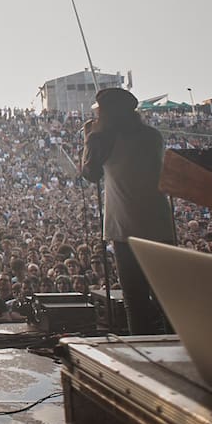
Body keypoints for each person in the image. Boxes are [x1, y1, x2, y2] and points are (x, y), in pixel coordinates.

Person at [79, 88, 174, 335]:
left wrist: (89, 138)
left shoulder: (106, 140)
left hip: (125, 228)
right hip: (160, 225)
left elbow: (90, 173)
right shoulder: (153, 136)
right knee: (168, 300)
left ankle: (146, 358)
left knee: (136, 301)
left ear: (109, 114)